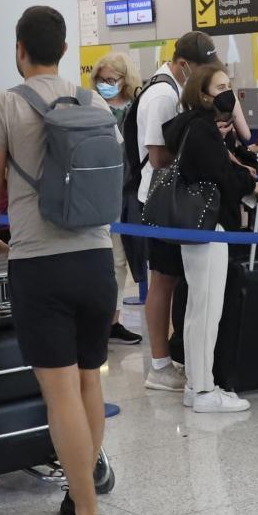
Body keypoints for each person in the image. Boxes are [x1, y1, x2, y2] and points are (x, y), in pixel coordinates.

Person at [0, 5, 118, 515]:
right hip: (97, 259)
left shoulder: (6, 105)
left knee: (59, 394)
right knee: (89, 382)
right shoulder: (94, 100)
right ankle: (82, 494)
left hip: (40, 263)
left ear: (19, 48)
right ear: (62, 49)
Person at [164, 62, 258, 414]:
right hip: (209, 228)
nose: (227, 93)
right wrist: (252, 184)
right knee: (206, 310)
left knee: (199, 309)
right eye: (220, 87)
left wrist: (249, 180)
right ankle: (204, 390)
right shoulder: (202, 131)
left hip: (200, 230)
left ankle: (196, 384)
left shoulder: (192, 128)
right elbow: (222, 177)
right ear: (203, 94)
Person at [137, 31, 216, 391]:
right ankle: (159, 365)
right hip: (161, 202)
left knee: (173, 280)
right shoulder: (162, 95)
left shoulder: (173, 91)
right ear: (184, 64)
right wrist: (197, 144)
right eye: (201, 69)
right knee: (162, 281)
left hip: (175, 199)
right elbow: (157, 156)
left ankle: (171, 357)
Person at [89, 51, 145, 346]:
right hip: (97, 191)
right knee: (105, 259)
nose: (106, 84)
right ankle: (101, 321)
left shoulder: (136, 108)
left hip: (128, 190)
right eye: (102, 79)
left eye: (112, 79)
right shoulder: (91, 105)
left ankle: (113, 320)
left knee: (121, 260)